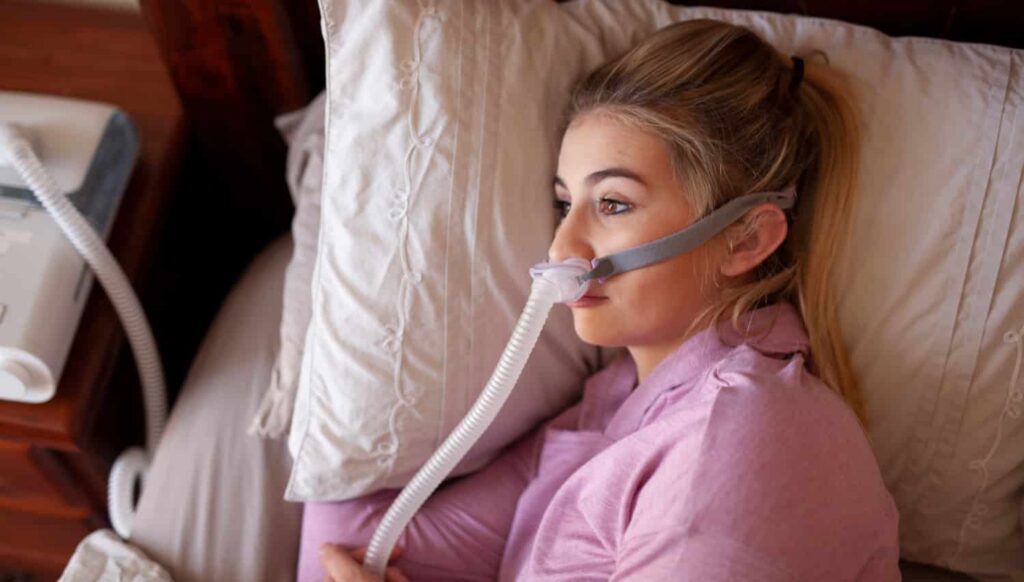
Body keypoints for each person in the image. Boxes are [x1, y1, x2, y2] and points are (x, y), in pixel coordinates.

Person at [297, 18, 900, 581]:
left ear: (745, 238)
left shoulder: (740, 438)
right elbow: (361, 540)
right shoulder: (618, 403)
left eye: (612, 204)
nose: (563, 246)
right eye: (566, 204)